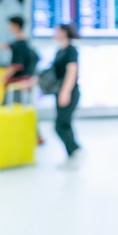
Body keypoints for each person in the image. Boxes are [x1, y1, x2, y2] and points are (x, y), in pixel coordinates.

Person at [51, 24, 82, 167]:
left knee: (60, 126)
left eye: (56, 30)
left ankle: (74, 152)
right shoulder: (60, 51)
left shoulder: (71, 50)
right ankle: (74, 150)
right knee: (65, 124)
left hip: (68, 92)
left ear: (63, 32)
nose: (54, 33)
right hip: (60, 91)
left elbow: (71, 71)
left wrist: (65, 92)